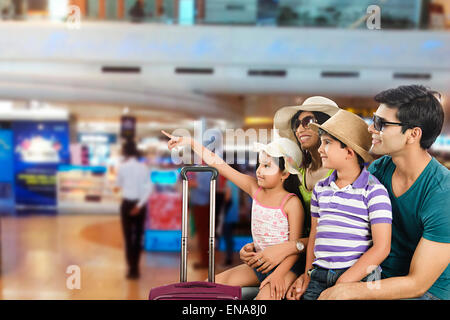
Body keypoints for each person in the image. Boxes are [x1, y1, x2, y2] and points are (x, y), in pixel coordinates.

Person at [318, 85, 450, 300]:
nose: (371, 129)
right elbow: (342, 225)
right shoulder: (380, 169)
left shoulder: (442, 193)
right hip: (379, 276)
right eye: (373, 120)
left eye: (381, 124)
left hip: (426, 292)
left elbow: (417, 284)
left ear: (413, 134)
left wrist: (350, 289)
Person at [163, 130, 304, 300]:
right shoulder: (255, 189)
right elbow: (220, 165)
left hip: (285, 268)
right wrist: (191, 142)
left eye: (267, 166)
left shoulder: (291, 202)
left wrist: (278, 275)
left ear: (285, 173)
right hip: (259, 266)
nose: (259, 171)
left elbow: (294, 249)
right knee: (208, 285)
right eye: (260, 164)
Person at [287, 109, 392, 300]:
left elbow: (382, 247)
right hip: (319, 275)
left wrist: (343, 283)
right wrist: (307, 273)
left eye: (327, 143)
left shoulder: (374, 191)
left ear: (349, 152)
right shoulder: (321, 189)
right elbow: (315, 233)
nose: (320, 149)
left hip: (357, 278)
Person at [240, 97, 340, 277]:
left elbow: (335, 234)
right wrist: (257, 246)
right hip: (294, 253)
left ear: (326, 126)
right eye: (297, 124)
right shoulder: (297, 172)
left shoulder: (339, 174)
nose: (300, 128)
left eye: (308, 122)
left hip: (322, 258)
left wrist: (289, 247)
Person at [115, 139, 152, 279]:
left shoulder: (122, 167)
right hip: (140, 205)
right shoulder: (144, 168)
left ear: (125, 152)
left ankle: (131, 269)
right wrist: (139, 205)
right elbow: (148, 188)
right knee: (138, 237)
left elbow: (118, 184)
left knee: (128, 237)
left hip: (126, 204)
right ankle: (136, 268)